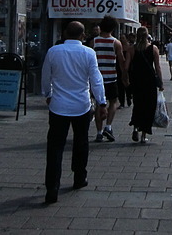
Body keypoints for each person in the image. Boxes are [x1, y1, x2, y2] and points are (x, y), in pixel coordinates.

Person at [41, 21, 106, 204]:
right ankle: (79, 177)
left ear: (64, 34)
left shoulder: (53, 52)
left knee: (55, 147)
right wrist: (101, 102)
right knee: (81, 142)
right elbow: (96, 80)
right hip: (81, 106)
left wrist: (48, 94)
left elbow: (46, 76)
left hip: (58, 106)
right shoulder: (88, 53)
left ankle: (52, 187)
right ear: (82, 35)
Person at [127, 27, 164, 144]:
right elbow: (157, 67)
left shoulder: (132, 49)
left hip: (136, 80)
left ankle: (135, 127)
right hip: (149, 81)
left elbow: (126, 66)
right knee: (149, 106)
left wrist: (126, 79)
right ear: (148, 35)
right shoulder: (153, 49)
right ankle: (143, 135)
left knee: (138, 104)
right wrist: (161, 82)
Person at [92, 16, 126, 142]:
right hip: (111, 77)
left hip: (96, 79)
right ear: (113, 28)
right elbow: (121, 62)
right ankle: (108, 126)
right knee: (113, 102)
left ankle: (99, 132)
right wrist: (124, 76)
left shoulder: (94, 42)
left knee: (98, 104)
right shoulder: (116, 43)